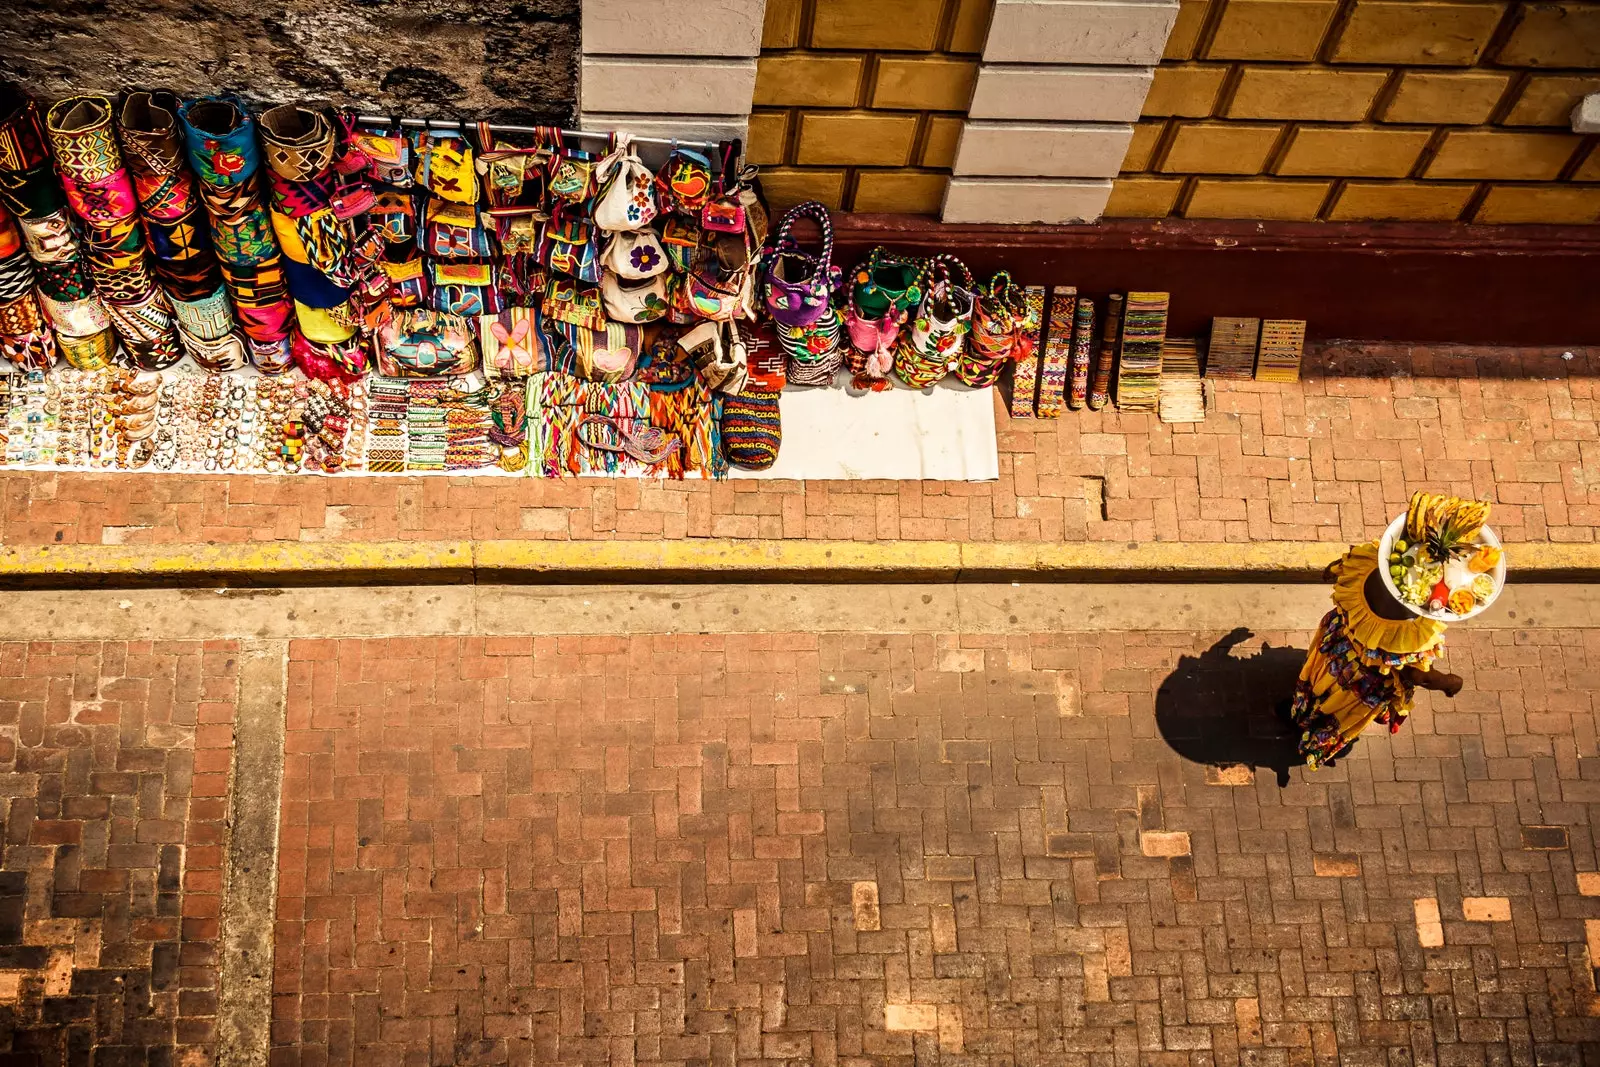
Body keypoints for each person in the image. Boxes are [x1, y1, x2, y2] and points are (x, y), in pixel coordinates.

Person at [1289, 542, 1464, 769]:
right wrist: (1451, 682)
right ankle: (1311, 736)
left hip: (1332, 650)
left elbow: (1332, 570)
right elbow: (1420, 677)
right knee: (1332, 709)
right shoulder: (1407, 637)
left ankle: (1299, 711)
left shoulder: (1367, 561)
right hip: (1355, 684)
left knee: (1316, 686)